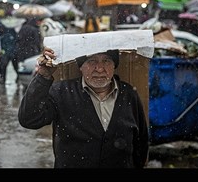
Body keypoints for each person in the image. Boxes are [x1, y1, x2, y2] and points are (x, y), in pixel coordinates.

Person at [18, 47, 149, 168]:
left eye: (106, 61)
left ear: (114, 65)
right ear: (81, 66)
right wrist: (43, 76)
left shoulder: (128, 94)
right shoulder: (61, 92)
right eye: (92, 61)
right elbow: (29, 119)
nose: (99, 68)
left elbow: (141, 143)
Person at [0, 21, 19, 85]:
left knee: (16, 66)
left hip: (13, 52)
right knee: (3, 66)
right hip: (4, 53)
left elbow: (17, 39)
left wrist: (16, 49)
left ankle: (18, 77)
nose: (0, 29)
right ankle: (3, 78)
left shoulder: (11, 31)